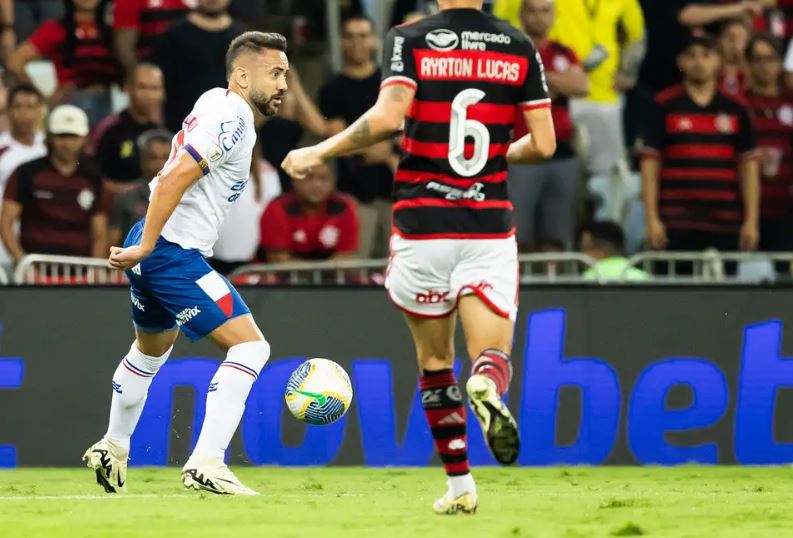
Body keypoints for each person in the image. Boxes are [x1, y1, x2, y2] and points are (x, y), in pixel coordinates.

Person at [283, 0, 556, 514]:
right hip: (486, 225)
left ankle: (460, 485)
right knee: (491, 353)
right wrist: (496, 156)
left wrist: (319, 150)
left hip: (421, 225)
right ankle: (486, 382)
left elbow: (389, 117)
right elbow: (543, 144)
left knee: (434, 361)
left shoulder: (410, 38)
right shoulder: (518, 45)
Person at [82, 31, 289, 496]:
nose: (282, 85)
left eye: (285, 75)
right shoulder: (233, 117)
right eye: (274, 73)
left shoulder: (216, 102)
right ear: (242, 76)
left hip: (157, 244)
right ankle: (207, 462)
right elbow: (176, 175)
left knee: (150, 351)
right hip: (171, 252)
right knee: (251, 348)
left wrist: (144, 243)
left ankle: (113, 445)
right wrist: (147, 247)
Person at [642, 33, 759, 256]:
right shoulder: (664, 104)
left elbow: (749, 166)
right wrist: (652, 219)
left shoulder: (736, 108)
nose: (698, 62)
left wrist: (751, 221)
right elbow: (650, 164)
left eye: (706, 55)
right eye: (692, 56)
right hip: (675, 221)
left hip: (726, 221)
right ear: (681, 61)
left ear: (719, 61)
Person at [509, 0, 588, 251]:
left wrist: (536, 76)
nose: (538, 17)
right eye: (532, 11)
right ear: (522, 15)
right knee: (517, 234)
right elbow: (512, 86)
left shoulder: (564, 52)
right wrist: (558, 83)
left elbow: (581, 86)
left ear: (553, 16)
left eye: (545, 11)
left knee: (558, 237)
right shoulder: (511, 50)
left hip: (562, 154)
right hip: (523, 153)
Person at [319, 14, 399, 259]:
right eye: (350, 36)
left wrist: (385, 150)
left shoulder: (391, 84)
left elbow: (407, 129)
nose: (357, 42)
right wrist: (378, 147)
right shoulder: (333, 89)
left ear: (374, 40)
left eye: (363, 36)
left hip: (396, 192)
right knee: (355, 270)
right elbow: (337, 138)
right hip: (354, 197)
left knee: (398, 269)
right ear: (341, 41)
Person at [0, 105, 108, 262]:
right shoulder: (27, 173)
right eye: (61, 136)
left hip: (81, 270)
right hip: (34, 268)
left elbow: (100, 232)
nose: (67, 143)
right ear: (49, 137)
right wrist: (23, 262)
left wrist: (94, 269)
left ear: (85, 138)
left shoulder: (93, 178)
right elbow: (6, 223)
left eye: (74, 136)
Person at [6, 0, 121, 126]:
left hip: (106, 102)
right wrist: (40, 97)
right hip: (73, 102)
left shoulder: (111, 31)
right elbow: (14, 61)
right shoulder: (57, 29)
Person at [153, 0, 245, 133]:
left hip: (230, 129)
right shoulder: (174, 34)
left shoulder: (243, 37)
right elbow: (158, 83)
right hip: (181, 126)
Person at [743, 33, 793, 252]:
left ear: (780, 63)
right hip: (745, 212)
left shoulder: (790, 102)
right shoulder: (738, 106)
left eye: (770, 59)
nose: (764, 65)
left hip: (787, 211)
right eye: (757, 59)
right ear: (748, 63)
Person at [258, 163, 358, 263]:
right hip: (285, 273)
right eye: (309, 178)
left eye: (324, 178)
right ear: (294, 179)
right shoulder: (277, 208)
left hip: (327, 272)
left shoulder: (344, 207)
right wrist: (318, 271)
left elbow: (345, 257)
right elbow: (279, 261)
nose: (317, 185)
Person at [90, 63, 165, 194]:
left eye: (154, 88)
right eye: (142, 87)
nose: (148, 95)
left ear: (162, 93)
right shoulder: (109, 129)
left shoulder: (165, 133)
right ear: (127, 89)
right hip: (119, 203)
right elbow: (92, 177)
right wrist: (133, 193)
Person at [0, 83, 46, 265]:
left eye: (30, 107)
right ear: (8, 111)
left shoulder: (49, 148)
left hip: (39, 241)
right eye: (18, 107)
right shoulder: (2, 149)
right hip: (3, 246)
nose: (24, 113)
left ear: (40, 110)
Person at [107, 129, 172, 248]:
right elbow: (112, 243)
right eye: (153, 157)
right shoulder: (126, 198)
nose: (160, 164)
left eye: (165, 158)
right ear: (142, 160)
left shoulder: (187, 198)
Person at [113, 0, 191, 74]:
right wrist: (143, 76)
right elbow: (124, 48)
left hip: (190, 71)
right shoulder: (129, 2)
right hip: (151, 70)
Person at [581, 221, 649, 282]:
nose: (582, 255)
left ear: (598, 253)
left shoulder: (585, 280)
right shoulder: (644, 278)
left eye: (584, 249)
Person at [719, 18, 751, 97]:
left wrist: (741, 58)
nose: (735, 44)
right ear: (720, 40)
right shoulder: (711, 68)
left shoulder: (752, 69)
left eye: (741, 39)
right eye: (731, 38)